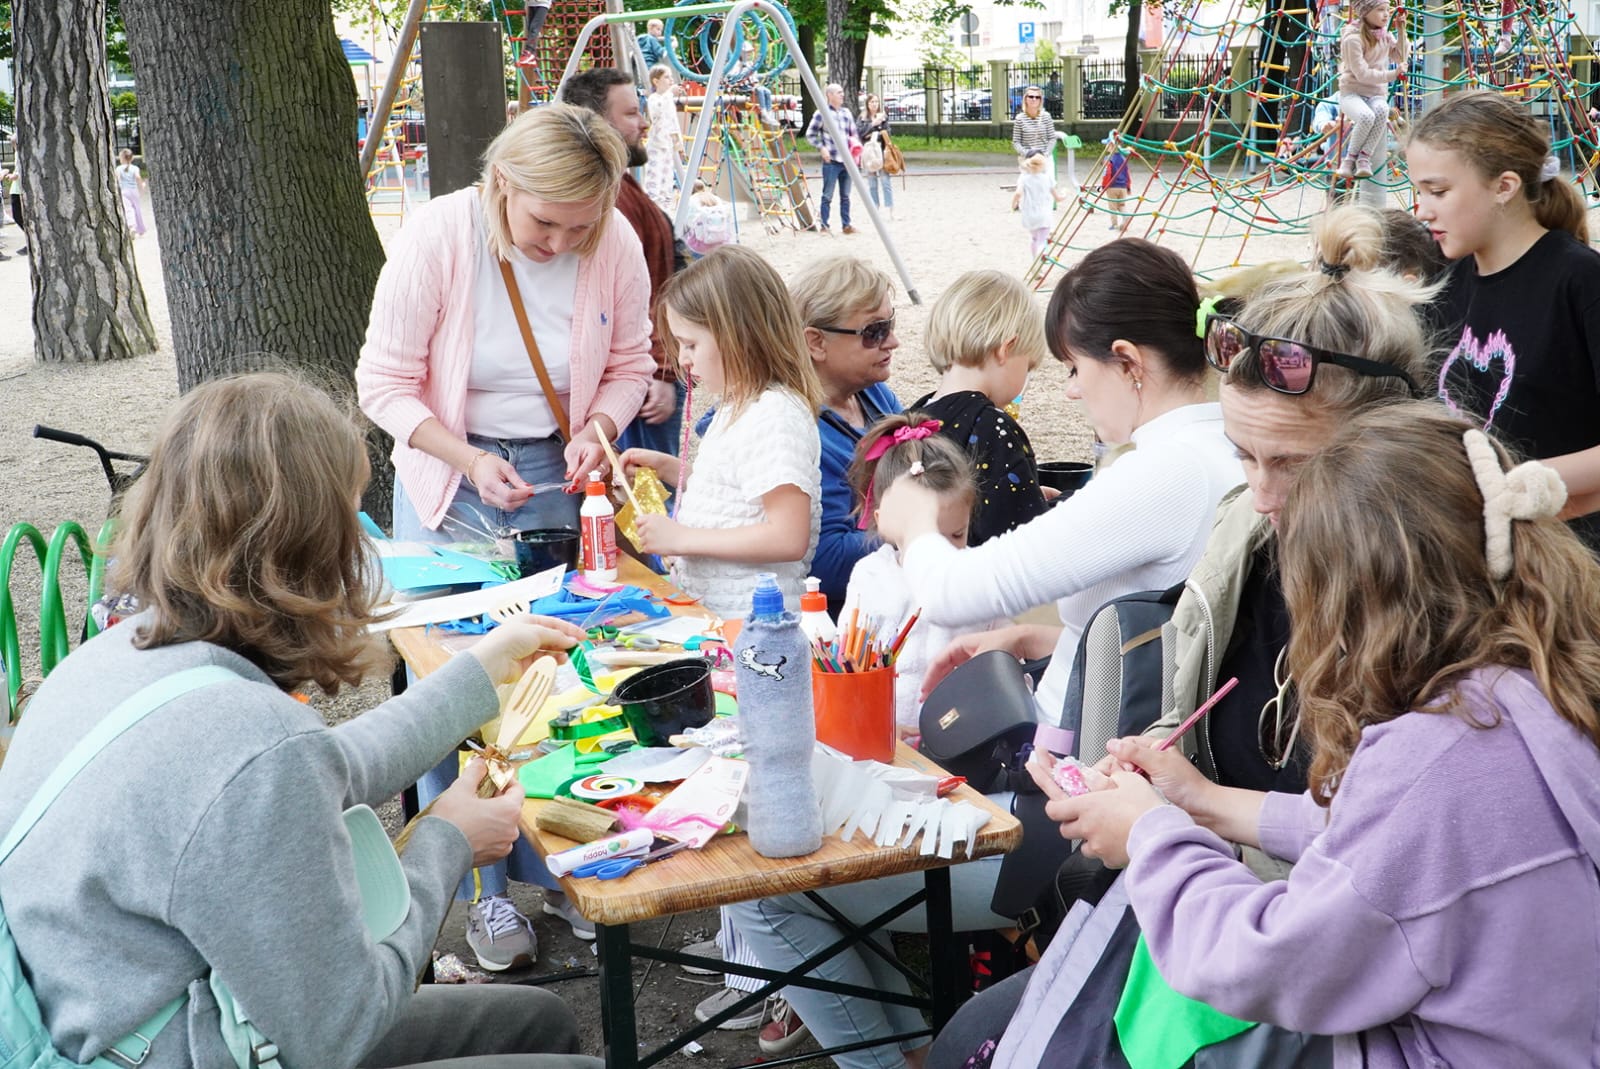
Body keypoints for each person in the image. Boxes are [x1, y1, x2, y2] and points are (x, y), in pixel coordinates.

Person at [923, 208, 1441, 1069]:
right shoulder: (1247, 532)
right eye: (1245, 455)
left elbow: (1346, 914)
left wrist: (1160, 834)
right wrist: (1173, 783)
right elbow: (1233, 744)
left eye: (1293, 464)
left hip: (1298, 973)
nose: (1262, 494)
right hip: (1215, 907)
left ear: (1387, 452)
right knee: (971, 1042)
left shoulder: (1431, 631)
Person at [0, 372, 601, 1069]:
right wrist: (447, 842)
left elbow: (319, 766)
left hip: (114, 1018)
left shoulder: (113, 657)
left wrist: (484, 667)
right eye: (353, 519)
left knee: (536, 1019)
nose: (364, 546)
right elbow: (340, 1030)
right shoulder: (251, 742)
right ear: (308, 546)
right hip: (198, 1045)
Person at [1046, 403, 1600, 1067]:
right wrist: (1201, 801)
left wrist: (1149, 837)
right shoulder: (1536, 689)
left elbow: (1269, 961)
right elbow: (1388, 844)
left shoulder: (1440, 755)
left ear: (1357, 598)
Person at [356, 103, 654, 969]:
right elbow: (383, 384)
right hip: (452, 477)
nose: (561, 243)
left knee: (567, 672)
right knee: (457, 685)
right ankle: (484, 890)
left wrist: (597, 426)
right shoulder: (438, 236)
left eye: (580, 226)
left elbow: (632, 364)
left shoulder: (614, 240)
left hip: (561, 470)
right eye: (544, 224)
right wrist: (467, 459)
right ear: (500, 185)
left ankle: (568, 859)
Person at [881, 240, 1242, 724]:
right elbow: (1165, 636)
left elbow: (949, 592)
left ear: (1128, 362)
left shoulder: (1165, 472)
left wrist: (916, 522)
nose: (1072, 389)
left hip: (1078, 747)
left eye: (1075, 367)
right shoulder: (1222, 443)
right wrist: (1032, 637)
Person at [1407, 89, 1600, 547]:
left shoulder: (1580, 282)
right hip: (1465, 546)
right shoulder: (1443, 283)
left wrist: (1516, 484)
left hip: (1564, 555)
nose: (1422, 210)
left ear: (1504, 187)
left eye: (1438, 191)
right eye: (1419, 191)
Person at [618, 243, 824, 617]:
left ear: (737, 336)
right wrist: (669, 469)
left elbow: (787, 536)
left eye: (690, 344)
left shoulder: (775, 416)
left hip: (756, 625)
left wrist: (683, 538)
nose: (683, 359)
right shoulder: (739, 404)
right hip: (724, 617)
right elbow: (744, 495)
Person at [842, 413, 1007, 731]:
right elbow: (848, 665)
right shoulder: (870, 577)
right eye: (924, 538)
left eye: (957, 534)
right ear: (885, 522)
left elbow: (1005, 663)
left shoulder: (980, 574)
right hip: (884, 735)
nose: (940, 551)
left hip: (959, 737)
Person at [561, 68, 687, 459]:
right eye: (631, 113)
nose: (644, 123)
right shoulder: (605, 201)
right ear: (596, 123)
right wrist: (660, 369)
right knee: (642, 485)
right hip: (633, 378)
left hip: (639, 369)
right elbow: (626, 298)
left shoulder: (621, 185)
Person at [791, 254, 904, 614]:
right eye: (874, 332)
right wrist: (924, 528)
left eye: (890, 323)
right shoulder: (801, 432)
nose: (893, 341)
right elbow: (826, 559)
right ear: (816, 342)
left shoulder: (876, 397)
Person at [909, 269, 1050, 546]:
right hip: (977, 571)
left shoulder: (911, 420)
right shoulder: (993, 427)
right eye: (1028, 367)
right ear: (1006, 349)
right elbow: (1024, 539)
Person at [1336, 0, 1406, 179]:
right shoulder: (1353, 39)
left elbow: (1400, 56)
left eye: (1387, 9)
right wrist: (1393, 74)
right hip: (1352, 93)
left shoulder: (1384, 35)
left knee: (1382, 111)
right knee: (1366, 116)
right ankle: (1349, 160)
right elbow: (1362, 74)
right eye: (1380, 10)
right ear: (1366, 12)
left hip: (1376, 93)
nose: (1386, 14)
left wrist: (1401, 31)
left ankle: (1364, 158)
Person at [805, 83, 860, 235]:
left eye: (842, 92)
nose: (842, 95)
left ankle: (846, 225)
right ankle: (824, 225)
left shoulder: (846, 113)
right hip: (831, 160)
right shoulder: (821, 113)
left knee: (846, 196)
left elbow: (853, 134)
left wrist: (855, 152)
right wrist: (821, 147)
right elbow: (810, 134)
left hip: (847, 161)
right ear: (830, 95)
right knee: (827, 195)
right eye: (839, 92)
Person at [641, 64, 685, 214]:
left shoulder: (668, 99)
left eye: (671, 77)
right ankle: (652, 212)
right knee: (654, 182)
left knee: (667, 183)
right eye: (667, 77)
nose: (671, 80)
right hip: (656, 146)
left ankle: (665, 213)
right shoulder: (654, 99)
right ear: (656, 81)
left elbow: (673, 123)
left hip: (667, 146)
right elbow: (656, 113)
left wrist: (679, 144)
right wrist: (669, 94)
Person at [1013, 151, 1063, 256]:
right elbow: (1058, 198)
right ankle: (1040, 258)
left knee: (1034, 239)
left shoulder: (1024, 179)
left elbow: (1018, 194)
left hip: (1029, 214)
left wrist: (1013, 204)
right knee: (1042, 240)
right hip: (1043, 213)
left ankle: (1034, 259)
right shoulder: (1047, 179)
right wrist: (1065, 194)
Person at [859, 94, 894, 219]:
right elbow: (860, 133)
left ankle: (890, 209)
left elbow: (888, 133)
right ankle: (875, 208)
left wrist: (877, 131)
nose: (874, 104)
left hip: (882, 151)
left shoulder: (883, 117)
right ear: (867, 104)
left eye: (876, 102)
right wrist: (872, 125)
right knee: (872, 182)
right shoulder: (862, 118)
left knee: (885, 181)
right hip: (869, 152)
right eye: (872, 102)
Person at [1011, 85, 1054, 159]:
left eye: (1037, 97)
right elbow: (1016, 142)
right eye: (1031, 96)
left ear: (1040, 100)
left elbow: (1052, 138)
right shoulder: (1019, 119)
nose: (1034, 99)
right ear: (1025, 99)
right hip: (1027, 159)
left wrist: (1046, 154)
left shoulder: (1046, 116)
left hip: (1044, 158)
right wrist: (1026, 154)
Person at [1100, 132, 1131, 232]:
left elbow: (1107, 173)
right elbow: (1127, 173)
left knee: (1112, 206)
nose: (1106, 147)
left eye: (1107, 145)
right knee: (1122, 205)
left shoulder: (1108, 158)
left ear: (1111, 146)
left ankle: (1114, 224)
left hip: (1112, 186)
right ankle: (1126, 216)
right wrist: (1128, 186)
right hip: (1123, 186)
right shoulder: (1123, 158)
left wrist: (1104, 185)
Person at [114, 148, 149, 237]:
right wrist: (142, 185)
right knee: (137, 209)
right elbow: (137, 177)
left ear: (122, 158)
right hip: (134, 191)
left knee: (128, 209)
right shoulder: (135, 168)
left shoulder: (118, 168)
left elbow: (117, 179)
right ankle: (141, 229)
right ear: (132, 158)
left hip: (124, 191)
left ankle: (132, 226)